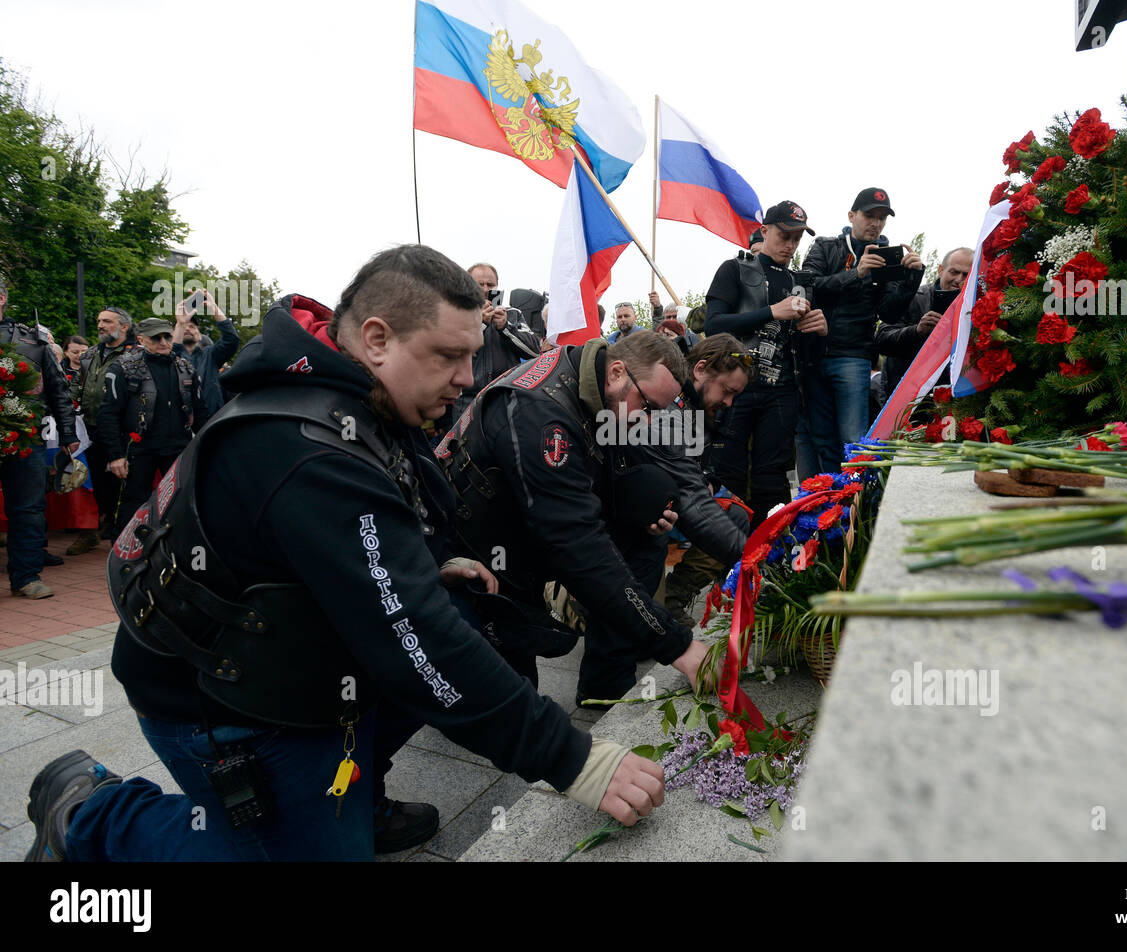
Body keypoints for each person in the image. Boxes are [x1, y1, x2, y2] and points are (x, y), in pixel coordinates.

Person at [23, 245, 666, 862]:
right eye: (449, 356)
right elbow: (417, 639)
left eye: (472, 356)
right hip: (218, 695)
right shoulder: (309, 450)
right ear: (378, 339)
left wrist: (427, 563)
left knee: (467, 614)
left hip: (285, 648)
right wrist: (575, 760)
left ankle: (350, 797)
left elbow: (391, 522)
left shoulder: (360, 392)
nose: (469, 378)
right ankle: (90, 814)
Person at [437, 330, 711, 705]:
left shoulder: (595, 378)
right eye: (647, 406)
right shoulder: (542, 416)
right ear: (617, 372)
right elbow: (578, 544)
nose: (648, 421)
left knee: (646, 536)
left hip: (527, 521)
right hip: (478, 549)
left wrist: (644, 508)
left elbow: (616, 471)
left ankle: (606, 683)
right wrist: (678, 647)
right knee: (513, 702)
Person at [703, 200, 827, 530]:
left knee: (771, 478)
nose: (790, 245)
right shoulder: (734, 268)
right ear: (764, 230)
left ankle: (770, 559)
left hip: (782, 392)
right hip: (733, 390)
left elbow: (807, 353)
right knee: (726, 472)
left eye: (797, 238)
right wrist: (772, 312)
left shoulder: (800, 281)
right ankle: (723, 561)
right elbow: (712, 326)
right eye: (784, 235)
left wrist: (818, 332)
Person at [800, 187, 924, 474]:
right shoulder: (825, 246)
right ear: (852, 215)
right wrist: (856, 273)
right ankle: (831, 508)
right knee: (821, 439)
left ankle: (854, 507)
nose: (876, 223)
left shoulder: (888, 257)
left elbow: (889, 313)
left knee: (853, 440)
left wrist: (912, 278)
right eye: (870, 215)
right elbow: (810, 286)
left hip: (854, 357)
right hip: (813, 355)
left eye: (882, 218)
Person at [652, 334, 753, 627]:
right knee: (645, 633)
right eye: (727, 390)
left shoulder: (700, 409)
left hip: (674, 503)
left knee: (734, 514)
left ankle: (674, 596)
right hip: (642, 515)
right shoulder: (667, 405)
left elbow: (696, 469)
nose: (729, 402)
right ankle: (566, 597)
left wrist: (706, 480)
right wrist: (753, 558)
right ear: (700, 369)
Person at [0, 274, 79, 598]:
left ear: (2, 298)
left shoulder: (33, 339)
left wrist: (68, 433)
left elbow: (58, 388)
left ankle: (27, 576)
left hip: (25, 437)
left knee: (29, 509)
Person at [97, 317, 209, 537]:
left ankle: (176, 550)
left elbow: (200, 412)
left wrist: (206, 443)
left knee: (180, 501)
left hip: (178, 446)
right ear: (141, 339)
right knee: (134, 502)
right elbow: (108, 413)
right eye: (155, 338)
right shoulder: (124, 368)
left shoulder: (185, 367)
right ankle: (127, 551)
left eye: (167, 336)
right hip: (139, 447)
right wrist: (116, 455)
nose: (163, 342)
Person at [67, 306, 136, 554]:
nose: (100, 325)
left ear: (124, 326)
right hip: (90, 428)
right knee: (92, 481)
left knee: (121, 482)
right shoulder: (90, 354)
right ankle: (91, 531)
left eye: (107, 321)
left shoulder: (134, 354)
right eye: (98, 321)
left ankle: (120, 532)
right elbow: (76, 386)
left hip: (122, 430)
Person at [443, 263, 540, 429]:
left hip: (507, 399)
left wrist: (505, 327)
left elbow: (535, 351)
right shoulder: (456, 315)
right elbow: (452, 351)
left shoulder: (513, 314)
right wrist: (480, 323)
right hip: (467, 401)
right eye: (479, 284)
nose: (486, 289)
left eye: (490, 284)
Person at [876, 246, 974, 398]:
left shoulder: (974, 308)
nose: (959, 280)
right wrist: (916, 331)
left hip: (951, 397)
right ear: (941, 270)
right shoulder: (912, 297)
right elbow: (882, 340)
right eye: (954, 272)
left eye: (966, 275)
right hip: (905, 395)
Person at [173, 288, 242, 419]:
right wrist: (180, 323)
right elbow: (170, 354)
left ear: (200, 336)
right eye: (185, 326)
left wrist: (214, 308)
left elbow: (231, 340)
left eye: (192, 327)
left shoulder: (210, 355)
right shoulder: (172, 356)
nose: (187, 328)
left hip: (209, 419)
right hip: (180, 422)